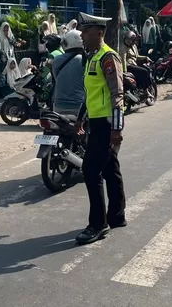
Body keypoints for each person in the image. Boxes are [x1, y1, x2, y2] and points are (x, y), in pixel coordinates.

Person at [75, 13, 126, 245]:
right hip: (95, 121)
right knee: (109, 169)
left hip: (106, 124)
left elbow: (117, 95)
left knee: (90, 170)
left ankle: (98, 224)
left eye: (86, 32)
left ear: (99, 33)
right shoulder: (92, 58)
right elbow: (91, 94)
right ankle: (116, 216)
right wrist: (80, 118)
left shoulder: (108, 58)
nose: (82, 36)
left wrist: (117, 129)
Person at [51, 29, 86, 116]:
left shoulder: (56, 60)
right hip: (79, 106)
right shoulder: (85, 60)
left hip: (58, 105)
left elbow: (56, 78)